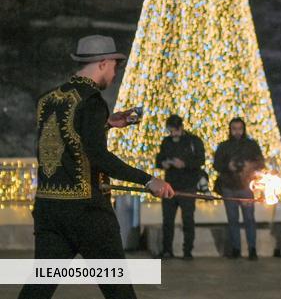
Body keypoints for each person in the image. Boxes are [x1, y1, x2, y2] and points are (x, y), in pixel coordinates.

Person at [19, 35, 174, 299]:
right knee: (119, 292)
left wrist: (106, 123)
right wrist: (148, 180)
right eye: (114, 67)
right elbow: (99, 157)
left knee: (37, 290)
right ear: (103, 63)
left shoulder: (47, 100)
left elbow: (65, 140)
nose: (114, 74)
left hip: (49, 209)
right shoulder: (91, 101)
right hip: (87, 214)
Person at [213, 117, 264, 259]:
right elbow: (216, 165)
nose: (237, 132)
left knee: (249, 219)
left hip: (246, 187)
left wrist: (248, 166)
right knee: (232, 219)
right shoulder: (224, 146)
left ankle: (252, 249)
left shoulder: (251, 145)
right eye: (234, 129)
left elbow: (260, 163)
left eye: (240, 129)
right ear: (230, 130)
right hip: (228, 186)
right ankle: (236, 249)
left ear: (244, 129)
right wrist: (228, 166)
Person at [155, 113, 205, 260]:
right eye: (170, 131)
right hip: (169, 185)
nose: (173, 134)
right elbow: (159, 159)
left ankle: (187, 251)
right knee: (167, 220)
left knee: (188, 220)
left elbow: (201, 160)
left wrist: (184, 164)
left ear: (181, 128)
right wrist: (163, 163)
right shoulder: (166, 141)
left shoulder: (193, 141)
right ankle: (167, 250)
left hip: (188, 185)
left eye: (175, 130)